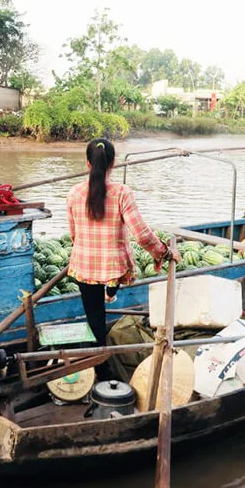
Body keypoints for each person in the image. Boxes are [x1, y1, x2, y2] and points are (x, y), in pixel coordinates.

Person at [66, 138, 180, 370]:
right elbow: (142, 235)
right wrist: (165, 252)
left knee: (95, 319)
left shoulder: (74, 193)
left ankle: (99, 367)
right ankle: (111, 291)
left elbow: (73, 234)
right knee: (112, 276)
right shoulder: (122, 193)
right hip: (113, 266)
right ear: (113, 163)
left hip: (85, 266)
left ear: (87, 163)